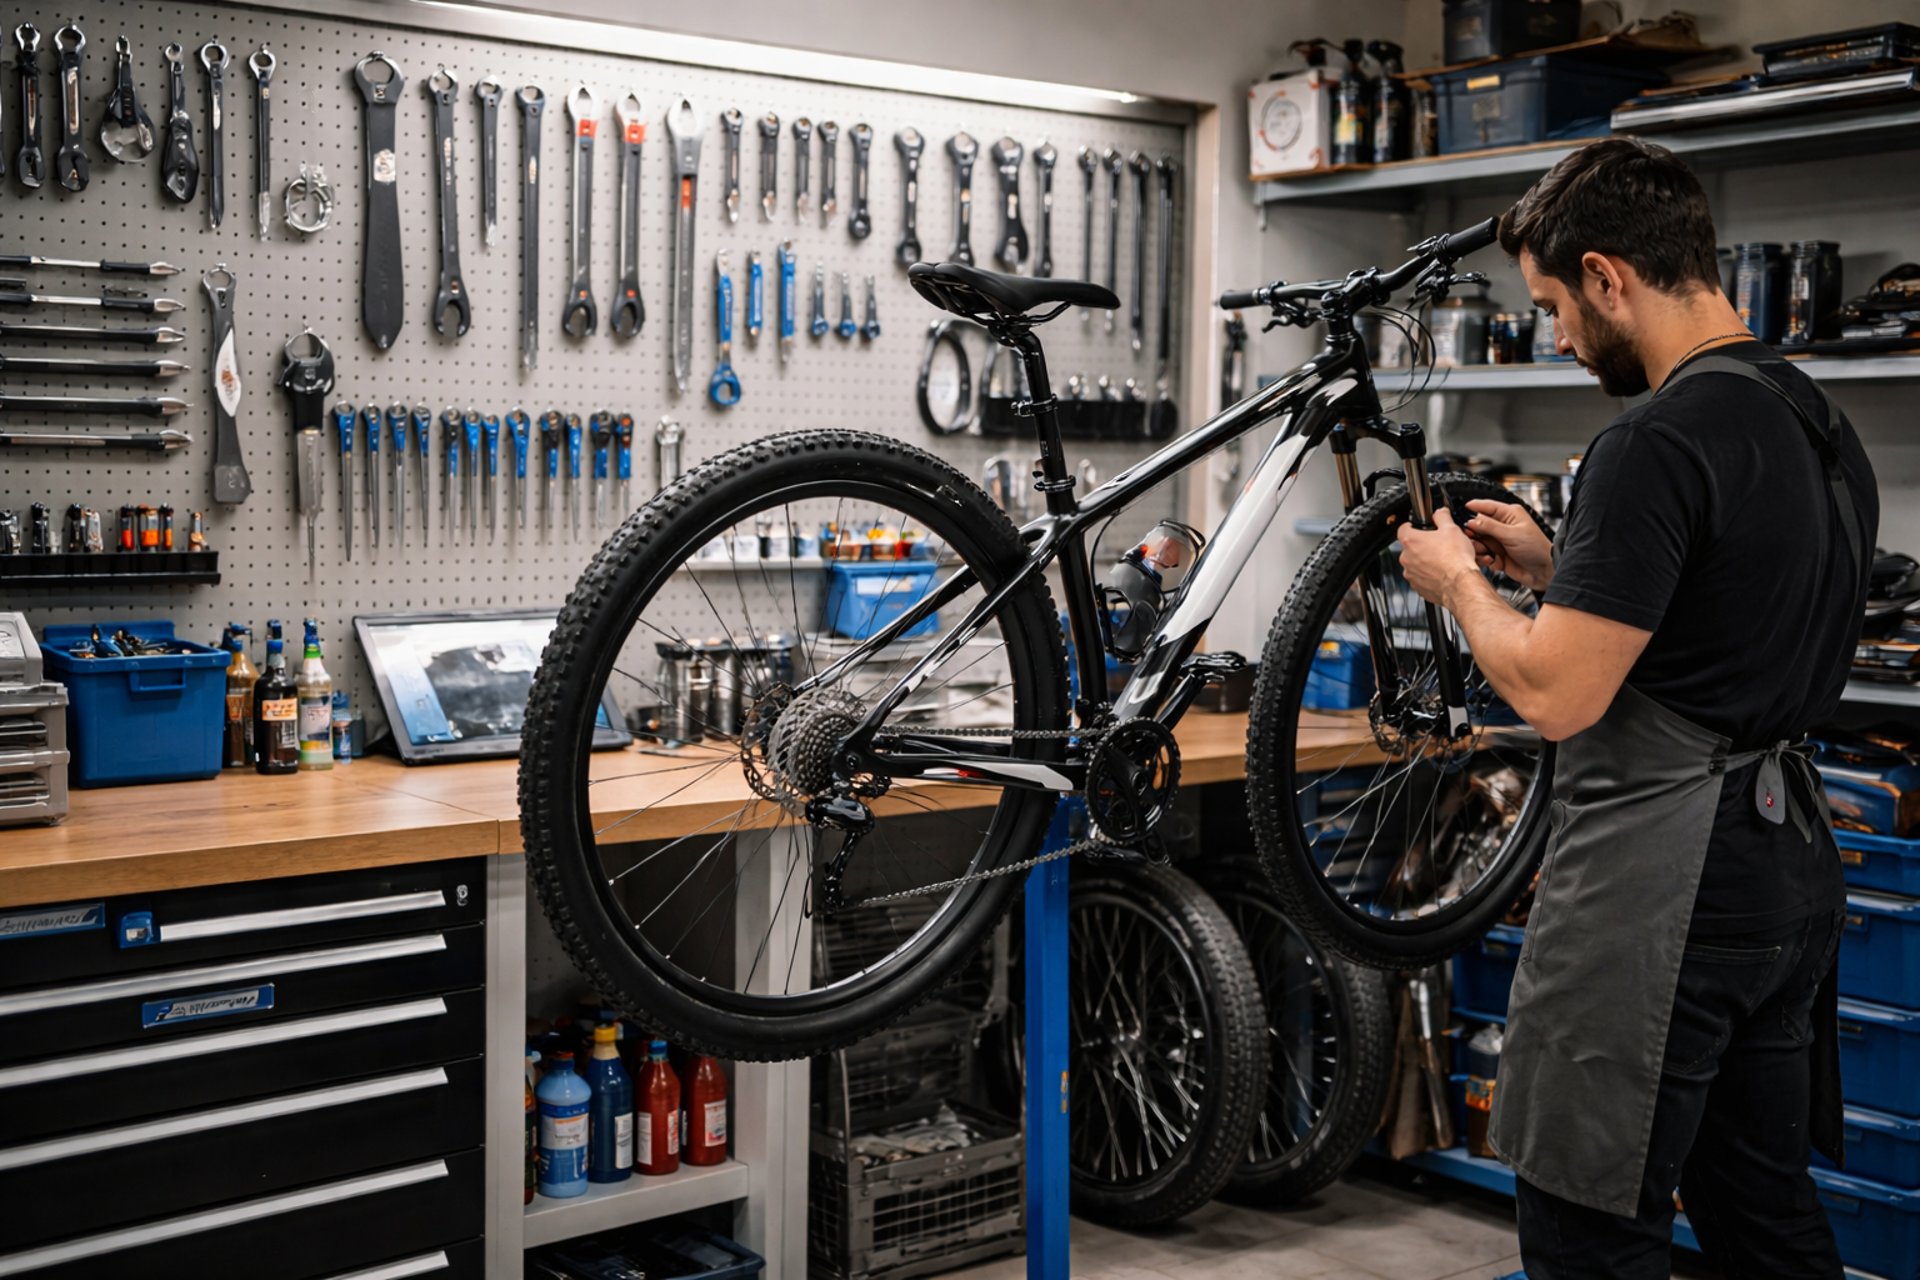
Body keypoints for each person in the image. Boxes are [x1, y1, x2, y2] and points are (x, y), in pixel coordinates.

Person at [1396, 137, 1879, 1278]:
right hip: (1785, 871)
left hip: (1667, 892)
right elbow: (1726, 615)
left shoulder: (1652, 440)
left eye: (1559, 302)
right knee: (1762, 1215)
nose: (1559, 334)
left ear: (1612, 275)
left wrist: (1461, 584)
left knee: (1586, 1229)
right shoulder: (1809, 416)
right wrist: (1564, 569)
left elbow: (1557, 693)